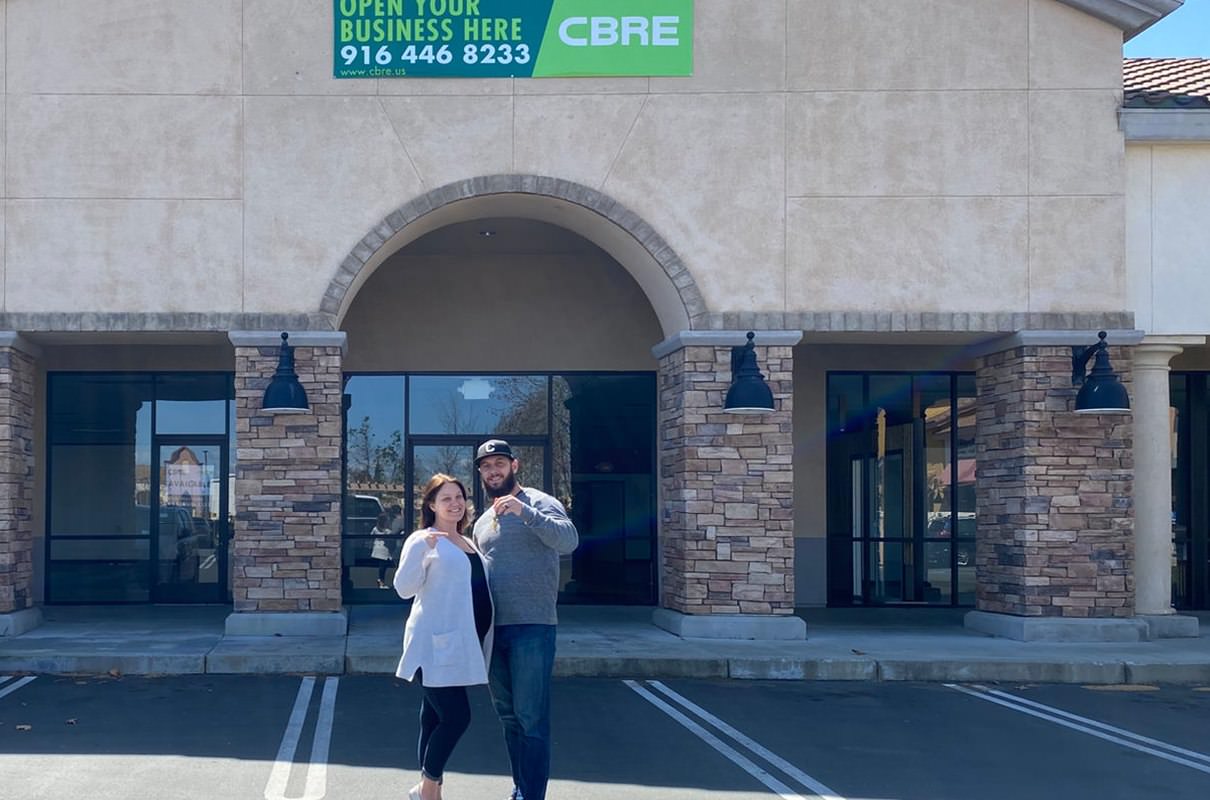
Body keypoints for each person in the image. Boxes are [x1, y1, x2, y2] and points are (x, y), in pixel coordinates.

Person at [472, 439, 578, 800]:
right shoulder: (482, 522)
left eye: (499, 463)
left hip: (533, 626)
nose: (493, 470)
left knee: (532, 719)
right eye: (486, 466)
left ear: (514, 465)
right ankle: (521, 788)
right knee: (508, 717)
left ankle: (533, 795)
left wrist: (525, 512)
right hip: (492, 630)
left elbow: (569, 541)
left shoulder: (540, 502)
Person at [394, 474, 494, 800]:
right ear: (432, 504)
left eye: (459, 497)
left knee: (433, 717)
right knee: (456, 716)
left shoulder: (467, 542)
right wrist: (421, 550)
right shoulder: (423, 539)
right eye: (446, 498)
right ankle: (427, 790)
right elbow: (403, 589)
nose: (454, 504)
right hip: (432, 645)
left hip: (461, 646)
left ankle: (429, 790)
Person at [370, 512, 394, 589]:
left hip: (376, 550)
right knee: (383, 566)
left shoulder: (375, 529)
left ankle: (381, 581)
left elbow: (370, 538)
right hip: (383, 551)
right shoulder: (387, 531)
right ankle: (381, 582)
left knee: (382, 566)